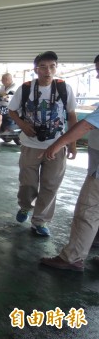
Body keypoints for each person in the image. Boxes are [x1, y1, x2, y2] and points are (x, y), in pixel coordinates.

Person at [39, 54, 99, 271]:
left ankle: (72, 258)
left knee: (87, 211)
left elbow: (85, 125)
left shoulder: (64, 89)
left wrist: (57, 145)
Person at [8, 51, 78, 236]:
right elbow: (11, 110)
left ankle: (40, 221)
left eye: (52, 66)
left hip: (57, 145)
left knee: (50, 185)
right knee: (27, 184)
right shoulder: (25, 88)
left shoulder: (64, 88)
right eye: (44, 66)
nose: (48, 71)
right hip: (30, 145)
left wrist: (72, 143)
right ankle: (25, 206)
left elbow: (71, 116)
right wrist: (22, 125)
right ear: (36, 69)